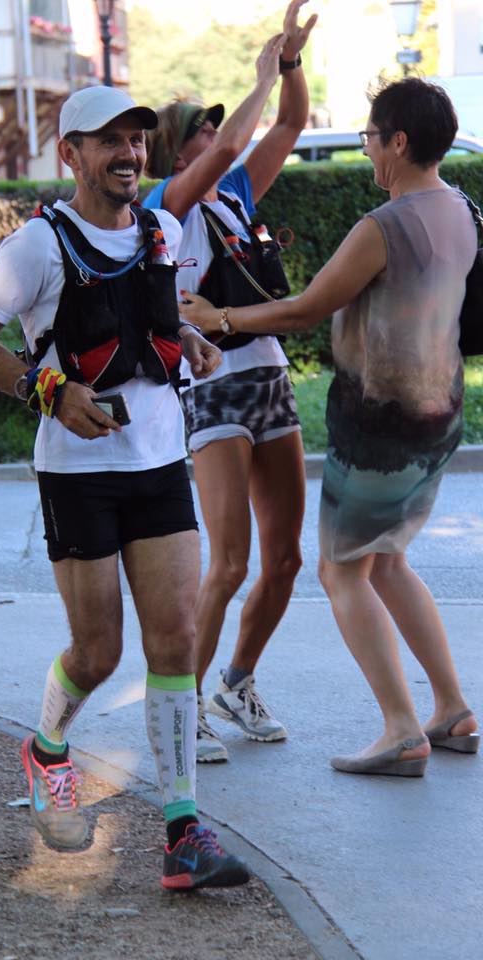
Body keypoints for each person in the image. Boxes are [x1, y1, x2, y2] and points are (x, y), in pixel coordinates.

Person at [0, 84, 251, 890]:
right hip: (77, 476)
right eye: (109, 140)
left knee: (176, 638)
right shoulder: (36, 248)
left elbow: (151, 317)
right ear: (71, 154)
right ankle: (48, 748)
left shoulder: (162, 230)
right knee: (98, 651)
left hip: (160, 463)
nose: (129, 153)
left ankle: (183, 829)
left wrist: (188, 340)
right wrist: (47, 391)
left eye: (137, 140)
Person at [179, 76, 480, 775]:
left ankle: (401, 729)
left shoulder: (384, 226)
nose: (367, 148)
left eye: (370, 137)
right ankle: (452, 710)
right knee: (388, 560)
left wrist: (219, 317)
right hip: (439, 413)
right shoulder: (463, 209)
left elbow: (305, 308)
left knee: (341, 569)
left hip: (382, 423)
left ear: (398, 142)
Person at [143, 0, 317, 763]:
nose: (214, 135)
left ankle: (235, 683)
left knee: (286, 560)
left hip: (268, 376)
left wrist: (291, 67)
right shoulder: (166, 205)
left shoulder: (236, 195)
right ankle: (185, 706)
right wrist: (261, 75)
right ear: (173, 152)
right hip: (211, 390)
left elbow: (291, 125)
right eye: (199, 130)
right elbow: (241, 138)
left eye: (214, 127)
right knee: (231, 562)